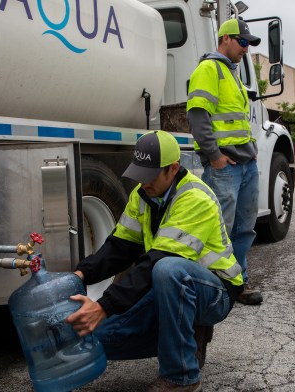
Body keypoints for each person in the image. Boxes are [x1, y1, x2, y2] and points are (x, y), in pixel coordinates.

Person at [65, 130, 243, 392]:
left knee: (168, 269)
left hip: (214, 291)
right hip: (169, 285)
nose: (143, 183)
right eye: (139, 174)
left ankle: (181, 376)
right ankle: (188, 337)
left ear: (173, 168)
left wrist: (104, 306)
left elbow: (160, 260)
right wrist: (81, 274)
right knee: (98, 338)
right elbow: (120, 246)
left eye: (150, 176)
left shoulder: (195, 199)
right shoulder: (143, 195)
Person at [186, 18, 263, 305]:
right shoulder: (208, 69)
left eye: (249, 44)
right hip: (225, 167)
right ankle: (214, 286)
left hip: (245, 164)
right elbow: (197, 116)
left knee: (244, 227)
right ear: (226, 39)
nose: (246, 49)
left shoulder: (232, 74)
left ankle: (237, 281)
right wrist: (215, 157)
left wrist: (251, 153)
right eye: (243, 42)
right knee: (220, 229)